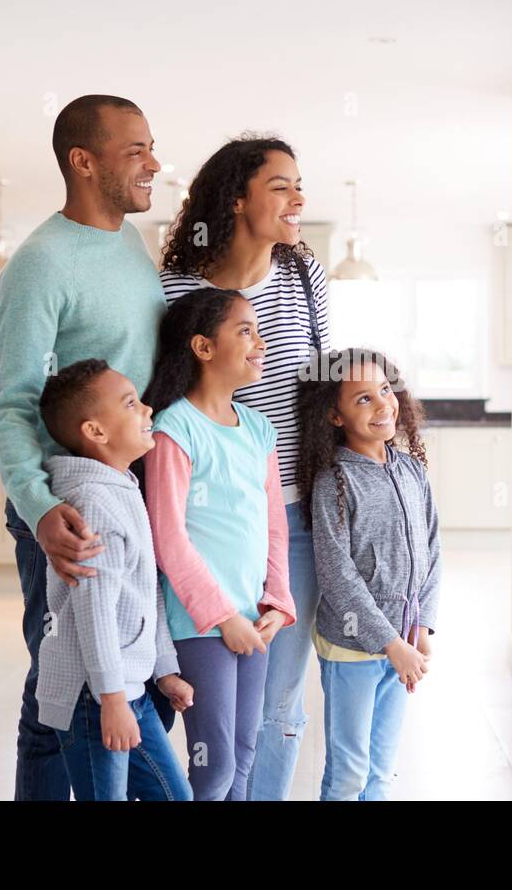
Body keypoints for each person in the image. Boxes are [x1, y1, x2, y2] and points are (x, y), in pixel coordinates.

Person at [0, 94, 165, 800]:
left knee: (109, 671)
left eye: (152, 146)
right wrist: (39, 509)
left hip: (127, 491)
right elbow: (10, 404)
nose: (153, 163)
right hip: (70, 510)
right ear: (82, 161)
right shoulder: (39, 263)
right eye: (136, 150)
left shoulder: (127, 241)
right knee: (59, 686)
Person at [160, 135, 329, 800]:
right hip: (211, 524)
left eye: (299, 184)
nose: (298, 199)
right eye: (281, 186)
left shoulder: (304, 278)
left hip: (296, 514)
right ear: (237, 200)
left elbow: (318, 383)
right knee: (211, 717)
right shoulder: (175, 289)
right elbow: (171, 395)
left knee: (277, 705)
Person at [142, 288, 297, 800]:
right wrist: (222, 616)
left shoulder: (259, 429)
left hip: (255, 619)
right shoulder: (174, 428)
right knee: (215, 764)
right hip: (202, 624)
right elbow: (169, 539)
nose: (261, 341)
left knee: (245, 753)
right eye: (245, 331)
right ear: (203, 348)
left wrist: (277, 601)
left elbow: (275, 526)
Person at [34, 359, 193, 801]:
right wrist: (112, 699)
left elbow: (147, 592)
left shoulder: (122, 487)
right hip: (95, 697)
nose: (146, 410)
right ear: (96, 431)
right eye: (130, 403)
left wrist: (165, 670)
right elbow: (94, 613)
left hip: (128, 690)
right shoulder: (94, 503)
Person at [296, 348, 441, 801]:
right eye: (363, 399)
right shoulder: (334, 480)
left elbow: (432, 549)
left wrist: (422, 625)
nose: (383, 405)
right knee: (349, 774)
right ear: (335, 417)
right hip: (353, 649)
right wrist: (390, 643)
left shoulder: (412, 470)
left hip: (403, 643)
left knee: (382, 772)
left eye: (385, 390)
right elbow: (338, 575)